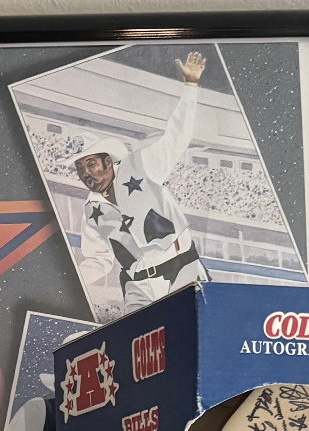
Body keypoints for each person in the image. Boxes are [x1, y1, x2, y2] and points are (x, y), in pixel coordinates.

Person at [67, 52, 210, 315]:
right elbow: (98, 259)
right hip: (137, 287)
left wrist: (190, 87)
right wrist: (67, 283)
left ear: (108, 162)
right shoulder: (91, 212)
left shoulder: (141, 165)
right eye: (79, 168)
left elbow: (177, 136)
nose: (86, 173)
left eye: (91, 164)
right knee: (138, 348)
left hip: (181, 271)